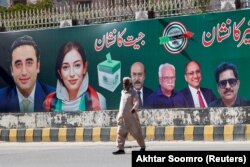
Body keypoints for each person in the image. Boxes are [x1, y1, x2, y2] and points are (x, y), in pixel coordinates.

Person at [44, 41, 106, 112]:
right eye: (65, 67)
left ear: (85, 68)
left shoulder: (99, 100)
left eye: (77, 65)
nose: (72, 74)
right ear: (60, 73)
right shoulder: (48, 102)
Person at [0, 35, 55, 112]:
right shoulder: (1, 99)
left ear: (38, 66)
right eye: (18, 64)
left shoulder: (55, 98)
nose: (24, 72)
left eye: (29, 63)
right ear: (12, 70)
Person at [112, 77, 145, 155]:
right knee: (120, 133)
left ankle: (142, 147)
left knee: (136, 132)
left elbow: (136, 101)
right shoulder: (122, 92)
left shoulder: (133, 92)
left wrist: (134, 108)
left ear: (130, 84)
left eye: (126, 83)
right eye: (124, 83)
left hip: (130, 117)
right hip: (122, 117)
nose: (125, 85)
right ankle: (120, 149)